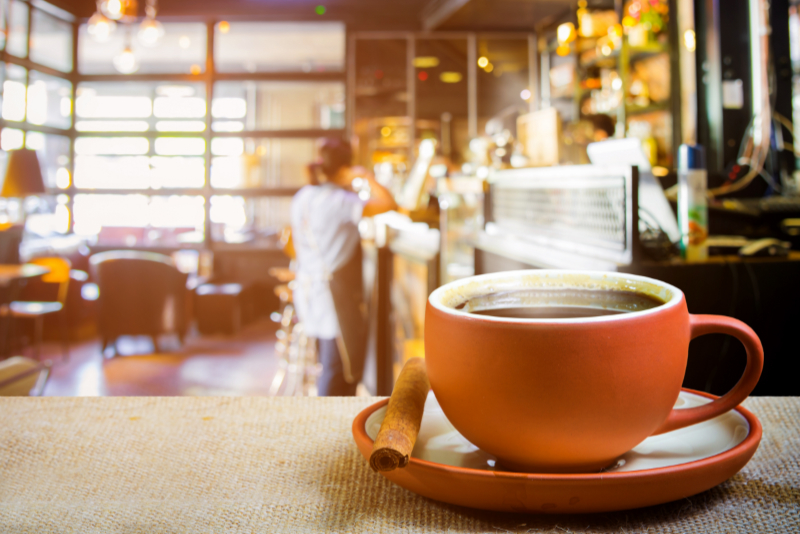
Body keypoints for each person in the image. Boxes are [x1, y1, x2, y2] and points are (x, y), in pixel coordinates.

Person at [290, 138, 397, 396]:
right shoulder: (339, 201)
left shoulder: (303, 195)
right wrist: (365, 176)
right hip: (331, 295)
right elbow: (388, 203)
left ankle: (329, 423)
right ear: (344, 168)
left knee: (328, 364)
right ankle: (333, 428)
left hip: (307, 286)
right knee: (338, 368)